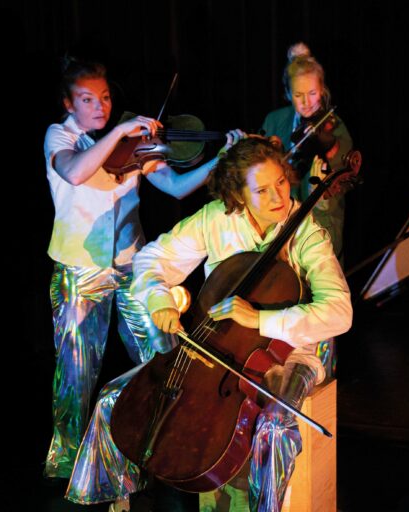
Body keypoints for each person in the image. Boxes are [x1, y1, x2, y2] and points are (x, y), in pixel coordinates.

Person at [64, 136, 352, 511]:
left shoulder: (307, 233)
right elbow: (152, 259)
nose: (278, 197)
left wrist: (260, 319)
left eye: (281, 182)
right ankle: (115, 499)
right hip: (213, 344)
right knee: (113, 397)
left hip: (291, 351)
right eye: (261, 190)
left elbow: (339, 312)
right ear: (238, 194)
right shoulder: (217, 218)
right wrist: (159, 299)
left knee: (275, 427)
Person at [43, 56, 243, 482]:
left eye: (105, 98)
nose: (100, 106)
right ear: (69, 104)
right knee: (77, 371)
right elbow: (75, 174)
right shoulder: (61, 136)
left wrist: (221, 157)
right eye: (87, 99)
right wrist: (120, 132)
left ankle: (157, 444)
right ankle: (68, 461)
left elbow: (176, 186)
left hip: (132, 262)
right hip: (80, 269)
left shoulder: (134, 143)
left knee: (158, 351)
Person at [261, 42, 353, 261]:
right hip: (278, 230)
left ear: (322, 90)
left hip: (320, 229)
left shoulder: (334, 128)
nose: (306, 102)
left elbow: (339, 181)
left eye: (312, 93)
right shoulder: (273, 121)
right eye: (298, 95)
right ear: (287, 93)